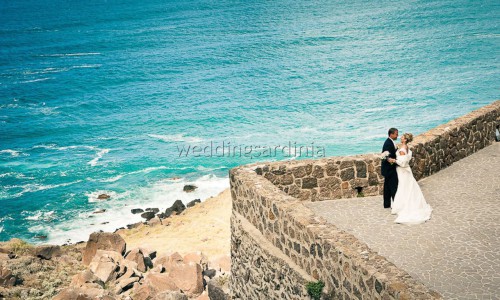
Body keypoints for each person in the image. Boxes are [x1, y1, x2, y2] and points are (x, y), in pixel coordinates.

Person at [391, 133, 433, 224]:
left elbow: (402, 163)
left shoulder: (402, 149)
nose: (400, 138)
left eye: (402, 137)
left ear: (405, 140)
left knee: (403, 187)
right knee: (408, 187)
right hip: (406, 170)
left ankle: (404, 206)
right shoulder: (406, 147)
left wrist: (393, 160)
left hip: (402, 171)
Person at [381, 128, 399, 208]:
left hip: (388, 169)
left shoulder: (390, 142)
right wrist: (392, 160)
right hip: (390, 169)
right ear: (391, 134)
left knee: (387, 187)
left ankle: (387, 204)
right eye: (396, 134)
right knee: (393, 186)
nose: (397, 135)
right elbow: (386, 156)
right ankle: (395, 204)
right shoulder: (388, 143)